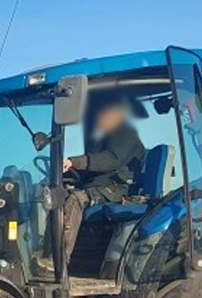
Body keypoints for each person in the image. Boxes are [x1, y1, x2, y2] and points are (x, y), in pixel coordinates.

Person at [35, 98, 145, 274]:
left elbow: (110, 160)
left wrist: (75, 162)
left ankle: (59, 260)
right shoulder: (102, 138)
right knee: (56, 197)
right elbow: (92, 169)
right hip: (100, 186)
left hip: (118, 189)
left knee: (75, 199)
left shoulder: (126, 133)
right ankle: (47, 251)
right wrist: (64, 174)